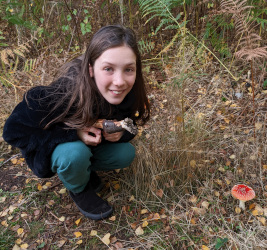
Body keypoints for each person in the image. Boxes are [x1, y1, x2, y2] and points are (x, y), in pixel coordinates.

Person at [3, 25, 150, 220]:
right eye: (108, 68)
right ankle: (79, 189)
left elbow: (130, 122)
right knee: (74, 154)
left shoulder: (126, 92)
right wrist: (75, 133)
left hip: (90, 148)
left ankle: (83, 171)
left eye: (128, 69)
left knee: (125, 153)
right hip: (59, 150)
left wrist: (122, 132)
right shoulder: (64, 93)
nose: (120, 81)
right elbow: (12, 132)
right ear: (91, 69)